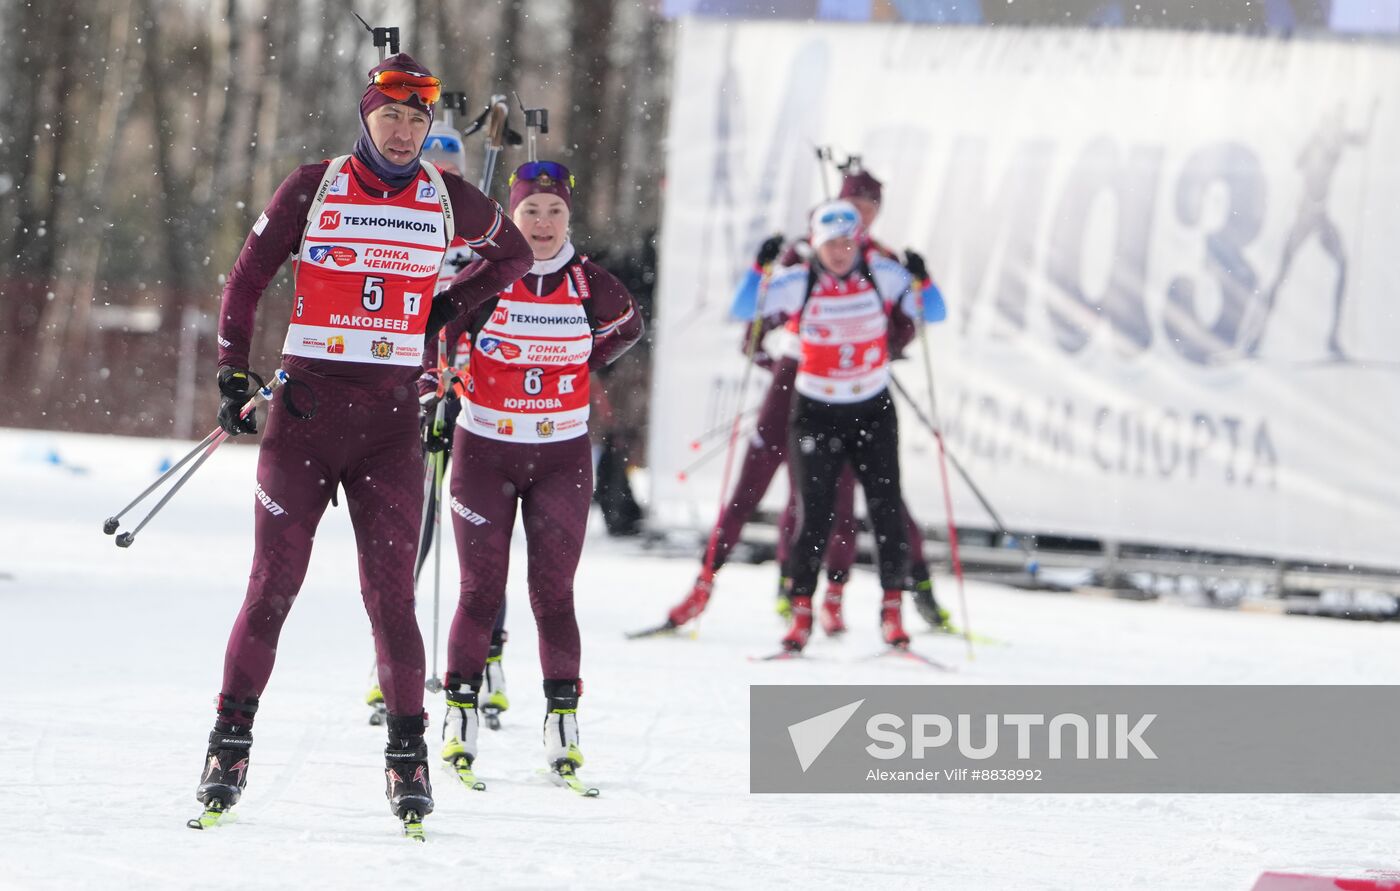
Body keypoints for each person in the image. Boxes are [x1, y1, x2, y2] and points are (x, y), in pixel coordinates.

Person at [193, 53, 531, 834]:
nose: (406, 131)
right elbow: (246, 278)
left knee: (390, 600)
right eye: (392, 116)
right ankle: (228, 743)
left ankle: (407, 758)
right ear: (366, 116)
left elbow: (512, 254)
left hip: (387, 430)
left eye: (418, 119)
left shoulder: (447, 197)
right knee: (272, 588)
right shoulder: (314, 185)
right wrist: (231, 374)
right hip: (305, 420)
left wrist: (443, 312)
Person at [425, 160, 643, 790]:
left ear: (568, 217)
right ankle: (460, 718)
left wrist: (577, 369)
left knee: (553, 594)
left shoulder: (590, 285)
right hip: (484, 452)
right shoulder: (485, 279)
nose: (542, 224)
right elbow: (436, 333)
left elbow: (627, 329)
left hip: (560, 457)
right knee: (479, 591)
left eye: (554, 212)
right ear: (512, 216)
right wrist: (443, 391)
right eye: (529, 212)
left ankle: (563, 726)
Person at [663, 167, 951, 635]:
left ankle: (847, 597)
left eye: (869, 207)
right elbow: (751, 317)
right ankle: (708, 585)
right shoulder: (804, 255)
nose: (860, 215)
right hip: (795, 381)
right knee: (759, 488)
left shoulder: (881, 262)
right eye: (853, 203)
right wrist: (760, 338)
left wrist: (890, 340)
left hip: (858, 385)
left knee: (856, 498)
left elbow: (915, 318)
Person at [363, 114, 514, 731]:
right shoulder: (401, 212)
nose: (443, 176)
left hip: (477, 383)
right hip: (413, 380)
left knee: (482, 539)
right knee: (410, 529)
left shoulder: (475, 218)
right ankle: (388, 662)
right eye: (437, 165)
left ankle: (490, 660)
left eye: (453, 166)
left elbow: (503, 295)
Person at [763, 198, 920, 653]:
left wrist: (922, 278)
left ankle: (893, 611)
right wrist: (762, 270)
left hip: (872, 408)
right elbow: (746, 310)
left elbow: (934, 311)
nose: (840, 251)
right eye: (831, 243)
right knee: (814, 515)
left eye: (847, 242)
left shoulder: (883, 275)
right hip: (816, 411)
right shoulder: (799, 282)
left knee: (887, 509)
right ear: (816, 244)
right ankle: (801, 616)